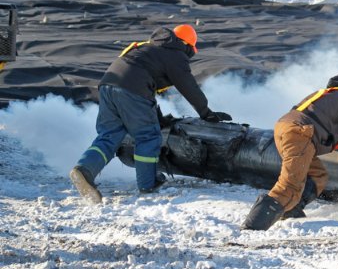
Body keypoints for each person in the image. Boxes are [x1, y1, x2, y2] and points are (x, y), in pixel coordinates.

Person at [69, 24, 232, 204]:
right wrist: (206, 112)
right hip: (132, 89)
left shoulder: (148, 47)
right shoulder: (176, 54)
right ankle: (148, 183)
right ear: (186, 45)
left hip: (108, 85)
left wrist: (159, 117)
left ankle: (84, 170)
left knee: (110, 136)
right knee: (148, 136)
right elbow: (189, 87)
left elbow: (146, 89)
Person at [241, 71, 338, 230]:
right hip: (300, 135)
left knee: (317, 175)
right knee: (289, 185)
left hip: (285, 130)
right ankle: (253, 227)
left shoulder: (320, 95)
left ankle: (291, 209)